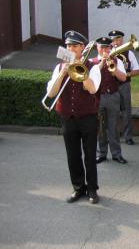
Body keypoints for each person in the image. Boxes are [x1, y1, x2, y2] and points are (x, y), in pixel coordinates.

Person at [46, 31, 101, 204]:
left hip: (88, 118)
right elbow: (51, 93)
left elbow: (92, 89)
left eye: (74, 46)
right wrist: (63, 73)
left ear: (82, 48)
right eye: (68, 46)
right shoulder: (59, 67)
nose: (71, 48)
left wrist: (81, 70)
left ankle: (92, 189)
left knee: (90, 155)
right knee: (73, 155)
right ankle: (78, 188)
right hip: (67, 117)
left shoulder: (93, 66)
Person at [93, 37, 128, 165]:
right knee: (100, 127)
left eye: (106, 47)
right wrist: (102, 63)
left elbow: (123, 78)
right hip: (98, 97)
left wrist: (114, 70)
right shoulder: (92, 61)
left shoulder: (116, 61)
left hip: (113, 96)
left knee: (113, 127)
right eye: (101, 47)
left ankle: (116, 154)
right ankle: (101, 153)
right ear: (97, 47)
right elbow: (91, 78)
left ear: (110, 48)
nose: (104, 50)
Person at [109, 30, 139, 145]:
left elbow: (137, 71)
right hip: (111, 85)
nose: (115, 42)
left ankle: (128, 136)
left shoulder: (129, 53)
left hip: (124, 85)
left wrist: (125, 75)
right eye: (113, 40)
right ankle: (114, 135)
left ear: (122, 40)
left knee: (126, 111)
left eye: (118, 39)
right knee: (112, 112)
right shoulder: (107, 52)